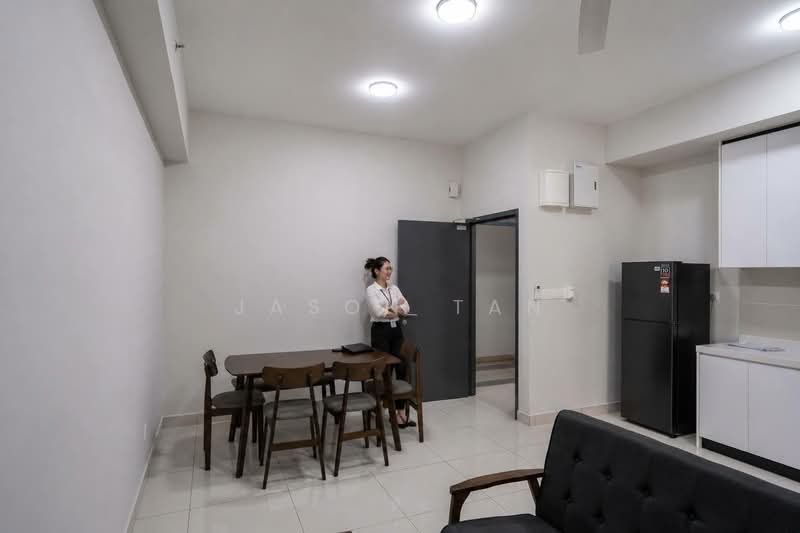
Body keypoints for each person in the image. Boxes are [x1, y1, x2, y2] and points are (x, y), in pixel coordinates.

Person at [364, 256, 415, 427]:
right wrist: (395, 309)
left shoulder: (394, 288)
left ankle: (400, 412)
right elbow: (378, 312)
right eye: (386, 268)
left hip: (396, 330)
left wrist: (394, 310)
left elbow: (407, 307)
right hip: (380, 332)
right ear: (377, 271)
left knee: (401, 366)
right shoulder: (371, 290)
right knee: (383, 369)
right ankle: (377, 408)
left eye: (390, 268)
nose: (389, 271)